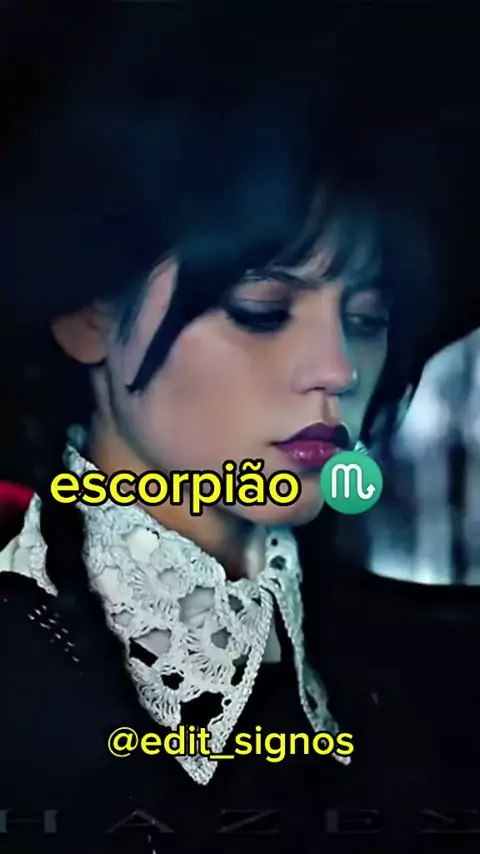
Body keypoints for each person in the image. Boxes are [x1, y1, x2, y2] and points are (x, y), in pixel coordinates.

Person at [0, 7, 458, 852]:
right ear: (89, 316)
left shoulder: (438, 667)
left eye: (367, 318)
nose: (337, 368)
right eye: (261, 309)